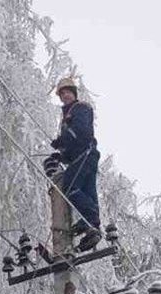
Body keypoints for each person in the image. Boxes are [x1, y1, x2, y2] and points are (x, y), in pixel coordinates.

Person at [50, 76, 101, 249]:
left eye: (68, 92)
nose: (65, 96)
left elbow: (81, 132)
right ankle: (92, 226)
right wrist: (61, 155)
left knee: (70, 186)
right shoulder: (67, 116)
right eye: (62, 94)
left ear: (74, 93)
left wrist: (63, 140)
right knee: (87, 191)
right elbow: (73, 146)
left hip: (85, 154)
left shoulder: (80, 108)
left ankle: (91, 217)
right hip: (84, 156)